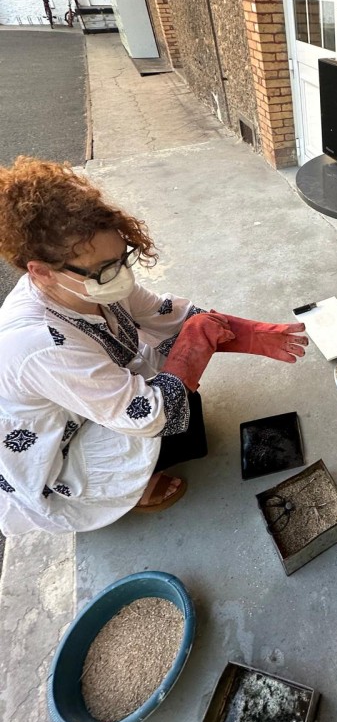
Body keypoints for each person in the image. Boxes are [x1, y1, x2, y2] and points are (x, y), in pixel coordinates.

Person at [0, 157, 307, 536]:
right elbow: (144, 415)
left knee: (168, 370)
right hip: (56, 448)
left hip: (87, 402)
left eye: (121, 258)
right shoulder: (39, 345)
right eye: (105, 268)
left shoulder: (87, 285)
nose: (120, 275)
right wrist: (195, 343)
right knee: (159, 409)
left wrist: (251, 332)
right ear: (42, 271)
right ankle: (113, 491)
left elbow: (168, 315)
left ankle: (139, 463)